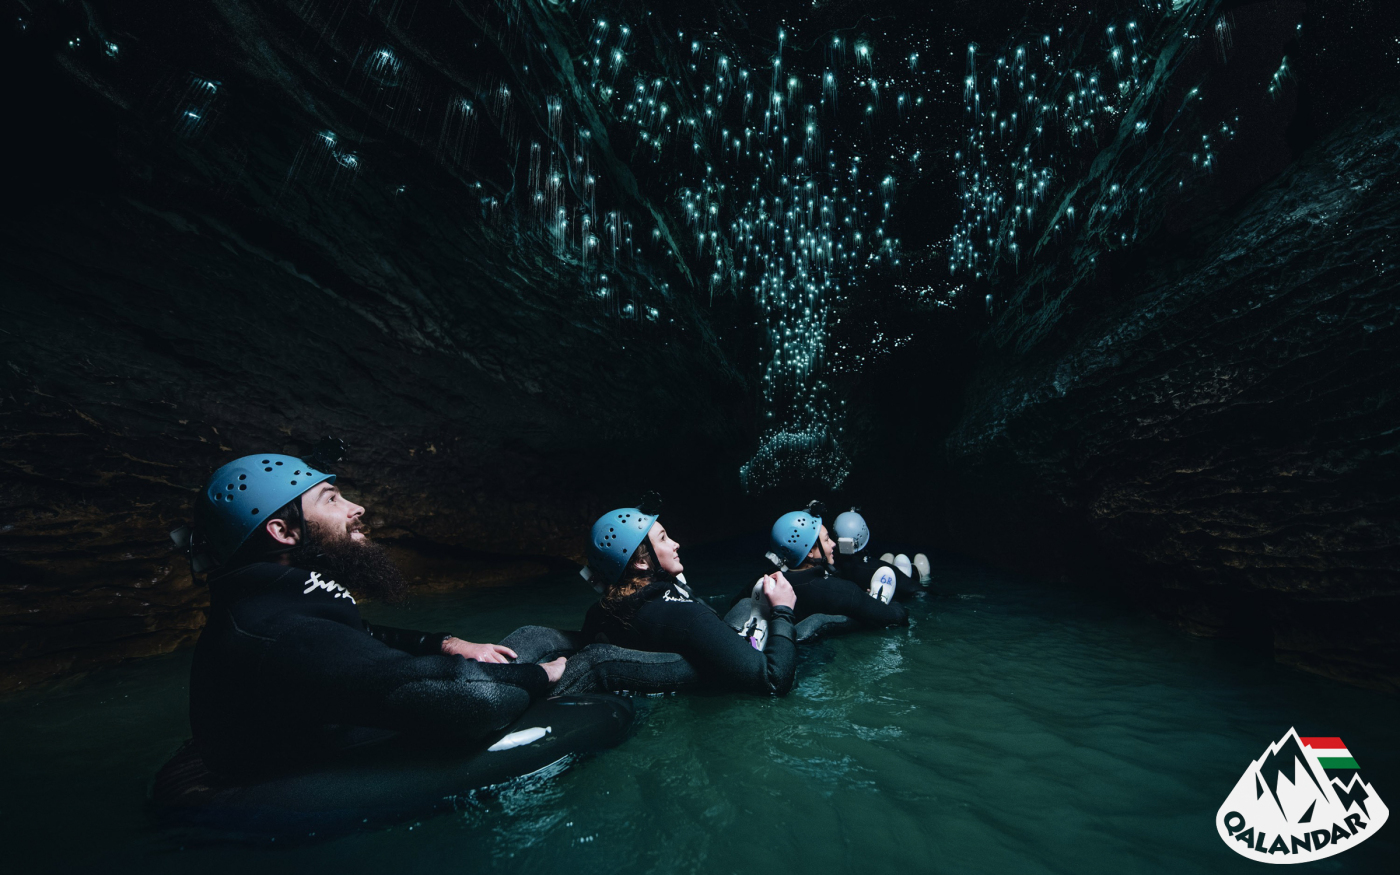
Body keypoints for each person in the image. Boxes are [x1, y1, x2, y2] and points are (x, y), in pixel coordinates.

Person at [182, 453, 568, 779]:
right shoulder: (279, 630)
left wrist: (447, 644)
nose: (356, 508)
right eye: (332, 500)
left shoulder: (275, 598)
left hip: (333, 718)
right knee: (562, 658)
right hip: (293, 773)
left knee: (537, 636)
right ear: (283, 531)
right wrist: (542, 675)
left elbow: (361, 635)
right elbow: (470, 699)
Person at [579, 502, 798, 696]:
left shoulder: (598, 613)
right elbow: (774, 680)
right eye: (663, 538)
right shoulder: (687, 617)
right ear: (641, 562)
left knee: (742, 606)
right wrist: (783, 609)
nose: (676, 544)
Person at [760, 503, 909, 632]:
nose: (833, 544)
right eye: (826, 539)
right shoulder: (843, 592)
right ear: (810, 551)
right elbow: (897, 617)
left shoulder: (762, 583)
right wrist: (892, 600)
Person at [831, 507, 921, 599]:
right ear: (864, 535)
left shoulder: (831, 566)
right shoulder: (874, 568)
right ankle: (916, 575)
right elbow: (918, 590)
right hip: (894, 585)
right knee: (898, 574)